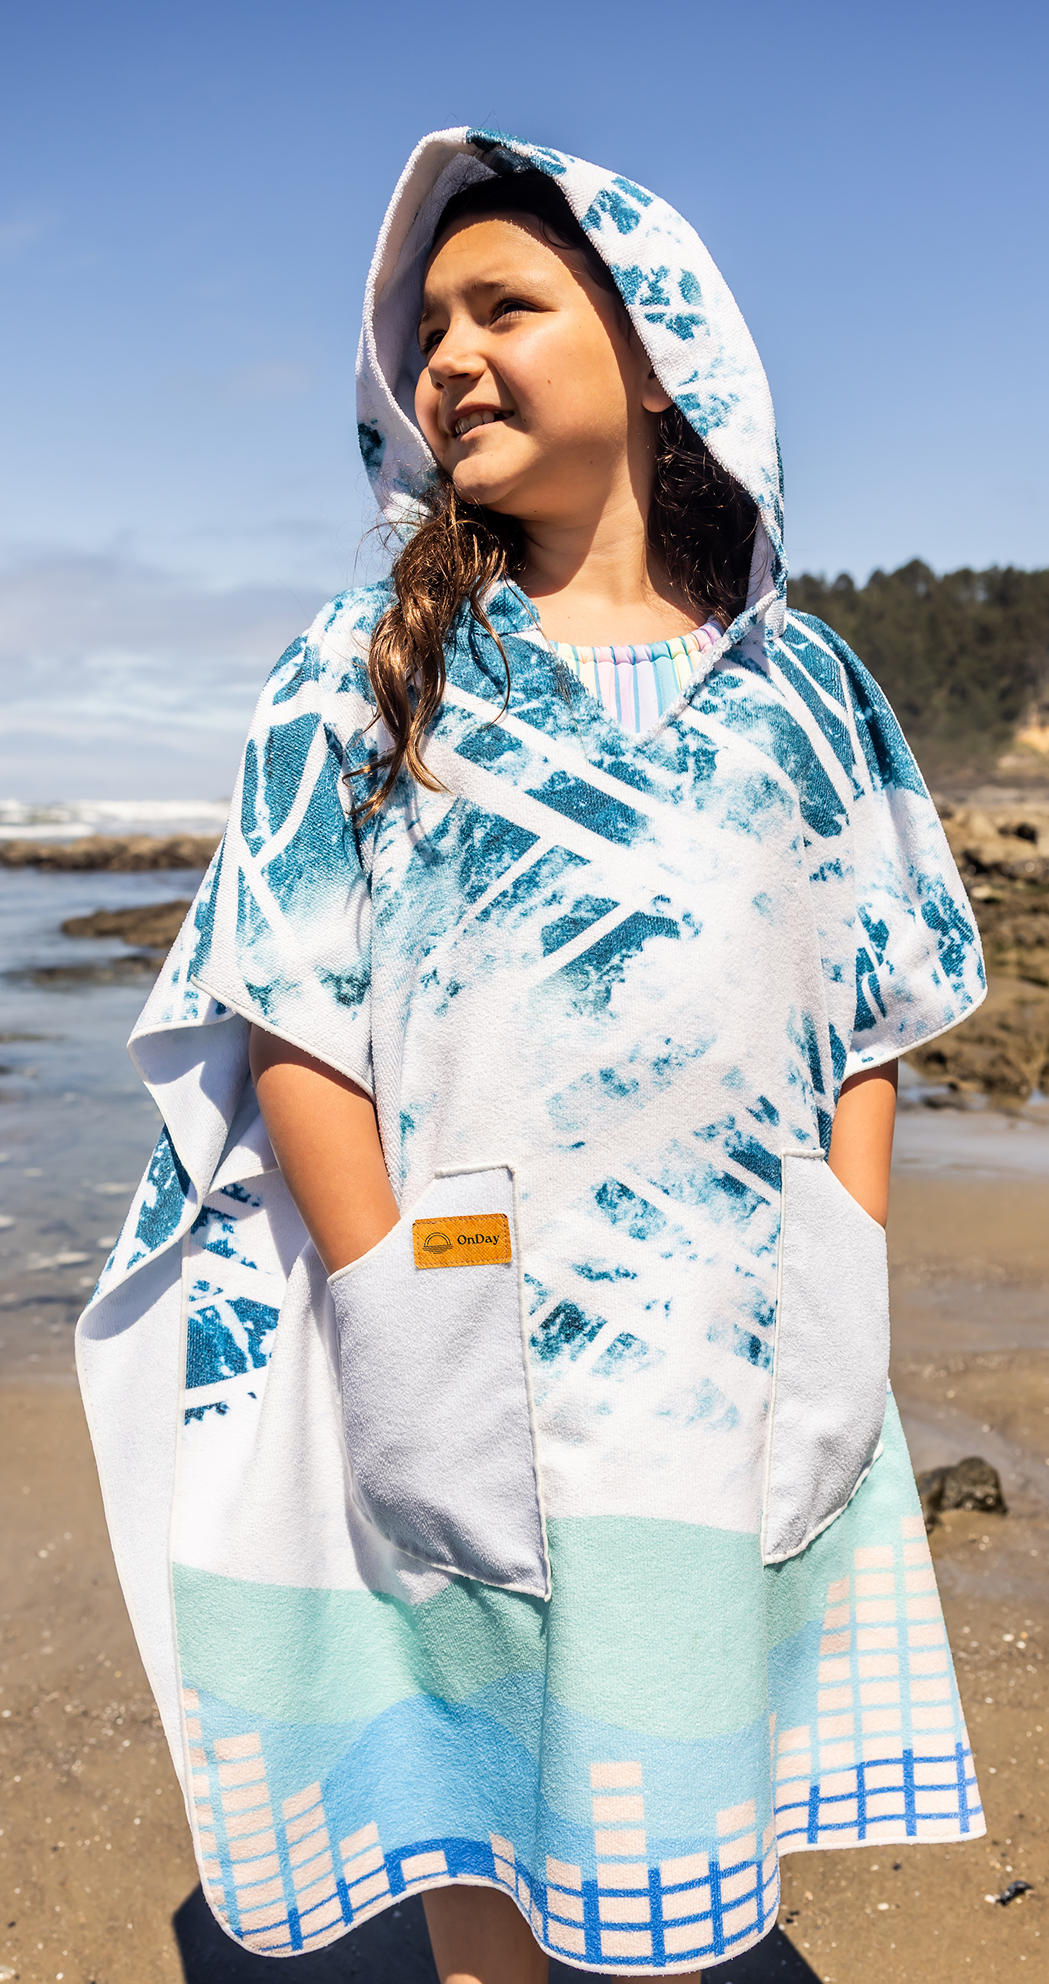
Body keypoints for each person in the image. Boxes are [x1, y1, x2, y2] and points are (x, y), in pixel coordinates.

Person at [77, 127, 988, 1983]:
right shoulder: (363, 665)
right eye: (427, 325)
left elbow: (866, 1008)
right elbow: (292, 1006)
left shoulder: (804, 689)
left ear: (654, 352)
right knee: (490, 1838)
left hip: (728, 1335)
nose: (451, 354)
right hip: (467, 1319)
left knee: (698, 1795)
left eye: (508, 305)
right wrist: (396, 1305)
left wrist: (844, 1270)